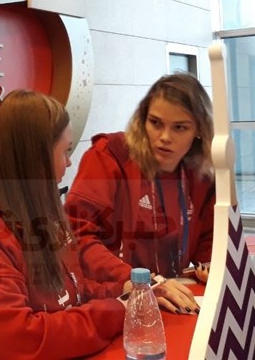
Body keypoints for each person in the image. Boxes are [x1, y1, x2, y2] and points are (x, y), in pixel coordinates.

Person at [0, 89, 128, 359]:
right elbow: (20, 342)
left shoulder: (29, 207)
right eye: (65, 151)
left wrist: (124, 293)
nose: (69, 163)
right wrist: (116, 312)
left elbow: (69, 290)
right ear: (35, 161)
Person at [65, 73, 215, 313]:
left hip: (170, 296)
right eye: (155, 123)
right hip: (110, 298)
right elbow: (77, 236)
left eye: (179, 127)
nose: (164, 137)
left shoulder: (203, 173)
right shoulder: (109, 155)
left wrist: (209, 267)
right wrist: (142, 282)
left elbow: (210, 240)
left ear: (199, 129)